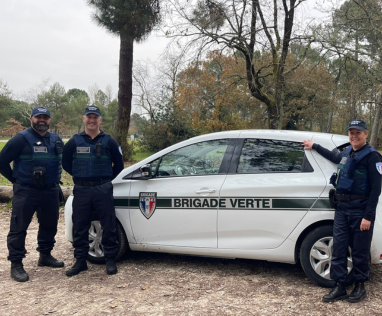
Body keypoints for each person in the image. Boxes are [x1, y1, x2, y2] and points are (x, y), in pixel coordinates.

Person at [302, 119, 382, 303]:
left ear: (366, 134)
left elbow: (376, 190)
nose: (354, 136)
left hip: (360, 211)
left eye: (358, 133)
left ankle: (360, 286)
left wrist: (368, 217)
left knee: (360, 250)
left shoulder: (373, 157)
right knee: (338, 248)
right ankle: (339, 286)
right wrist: (314, 145)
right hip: (342, 209)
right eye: (351, 133)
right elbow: (333, 157)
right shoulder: (347, 152)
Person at [0, 107, 65, 282]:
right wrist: (16, 180)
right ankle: (16, 264)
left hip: (50, 191)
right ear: (31, 118)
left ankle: (45, 255)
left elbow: (64, 160)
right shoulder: (20, 139)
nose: (42, 120)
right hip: (26, 191)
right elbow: (2, 161)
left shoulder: (56, 139)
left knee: (49, 224)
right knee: (18, 228)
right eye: (38, 117)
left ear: (49, 120)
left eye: (45, 117)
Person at [62, 105, 124, 277]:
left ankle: (110, 259)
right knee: (80, 225)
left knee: (108, 224)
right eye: (88, 117)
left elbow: (118, 165)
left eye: (95, 117)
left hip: (103, 188)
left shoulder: (109, 141)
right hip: (82, 189)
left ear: (100, 120)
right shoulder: (74, 141)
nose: (92, 120)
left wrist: (104, 180)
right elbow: (66, 163)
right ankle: (80, 261)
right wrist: (81, 177)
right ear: (83, 119)